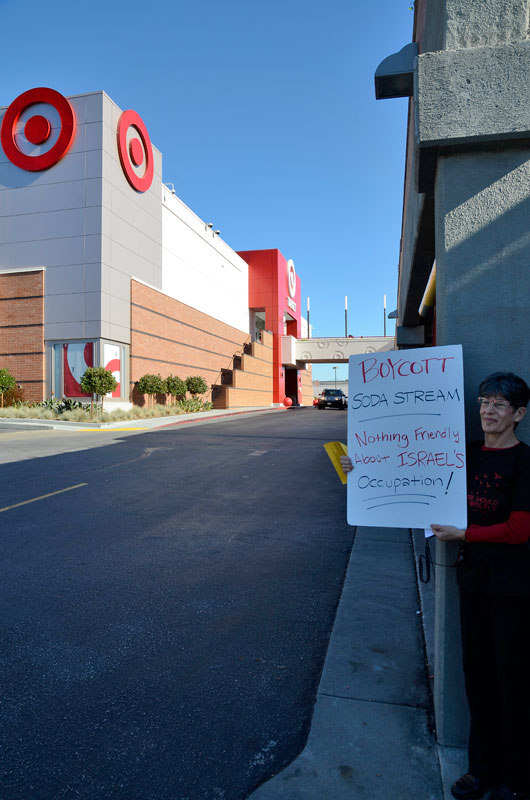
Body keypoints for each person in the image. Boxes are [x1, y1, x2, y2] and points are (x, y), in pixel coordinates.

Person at [340, 372, 530, 800]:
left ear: (518, 414)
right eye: (484, 402)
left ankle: (517, 780)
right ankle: (481, 769)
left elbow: (520, 529)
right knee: (476, 675)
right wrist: (360, 466)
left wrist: (465, 534)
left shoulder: (525, 462)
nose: (487, 411)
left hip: (514, 588)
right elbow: (410, 467)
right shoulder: (467, 454)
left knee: (512, 680)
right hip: (474, 581)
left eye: (499, 405)